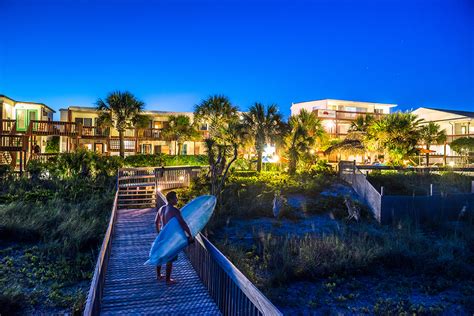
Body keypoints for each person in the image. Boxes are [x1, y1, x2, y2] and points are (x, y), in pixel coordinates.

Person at [154, 191, 193, 285]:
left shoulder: (162, 209)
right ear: (171, 199)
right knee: (170, 258)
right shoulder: (174, 210)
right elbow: (183, 223)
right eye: (176, 198)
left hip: (162, 235)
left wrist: (159, 233)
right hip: (170, 238)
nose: (177, 199)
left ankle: (159, 275)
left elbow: (156, 222)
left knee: (160, 255)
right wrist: (190, 235)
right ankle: (168, 280)